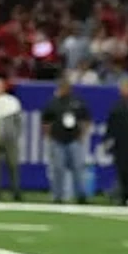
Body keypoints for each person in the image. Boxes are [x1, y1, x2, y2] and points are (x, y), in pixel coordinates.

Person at [40, 76, 91, 204]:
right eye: (62, 87)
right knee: (58, 169)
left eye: (66, 87)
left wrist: (82, 134)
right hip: (58, 140)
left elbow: (86, 119)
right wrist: (49, 136)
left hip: (74, 140)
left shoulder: (77, 102)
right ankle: (58, 196)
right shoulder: (53, 103)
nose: (64, 89)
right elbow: (46, 121)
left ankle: (81, 195)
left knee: (78, 168)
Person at [0, 77, 25, 200]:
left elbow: (18, 122)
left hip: (10, 140)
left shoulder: (12, 101)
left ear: (3, 87)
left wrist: (14, 135)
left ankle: (16, 192)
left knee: (13, 165)